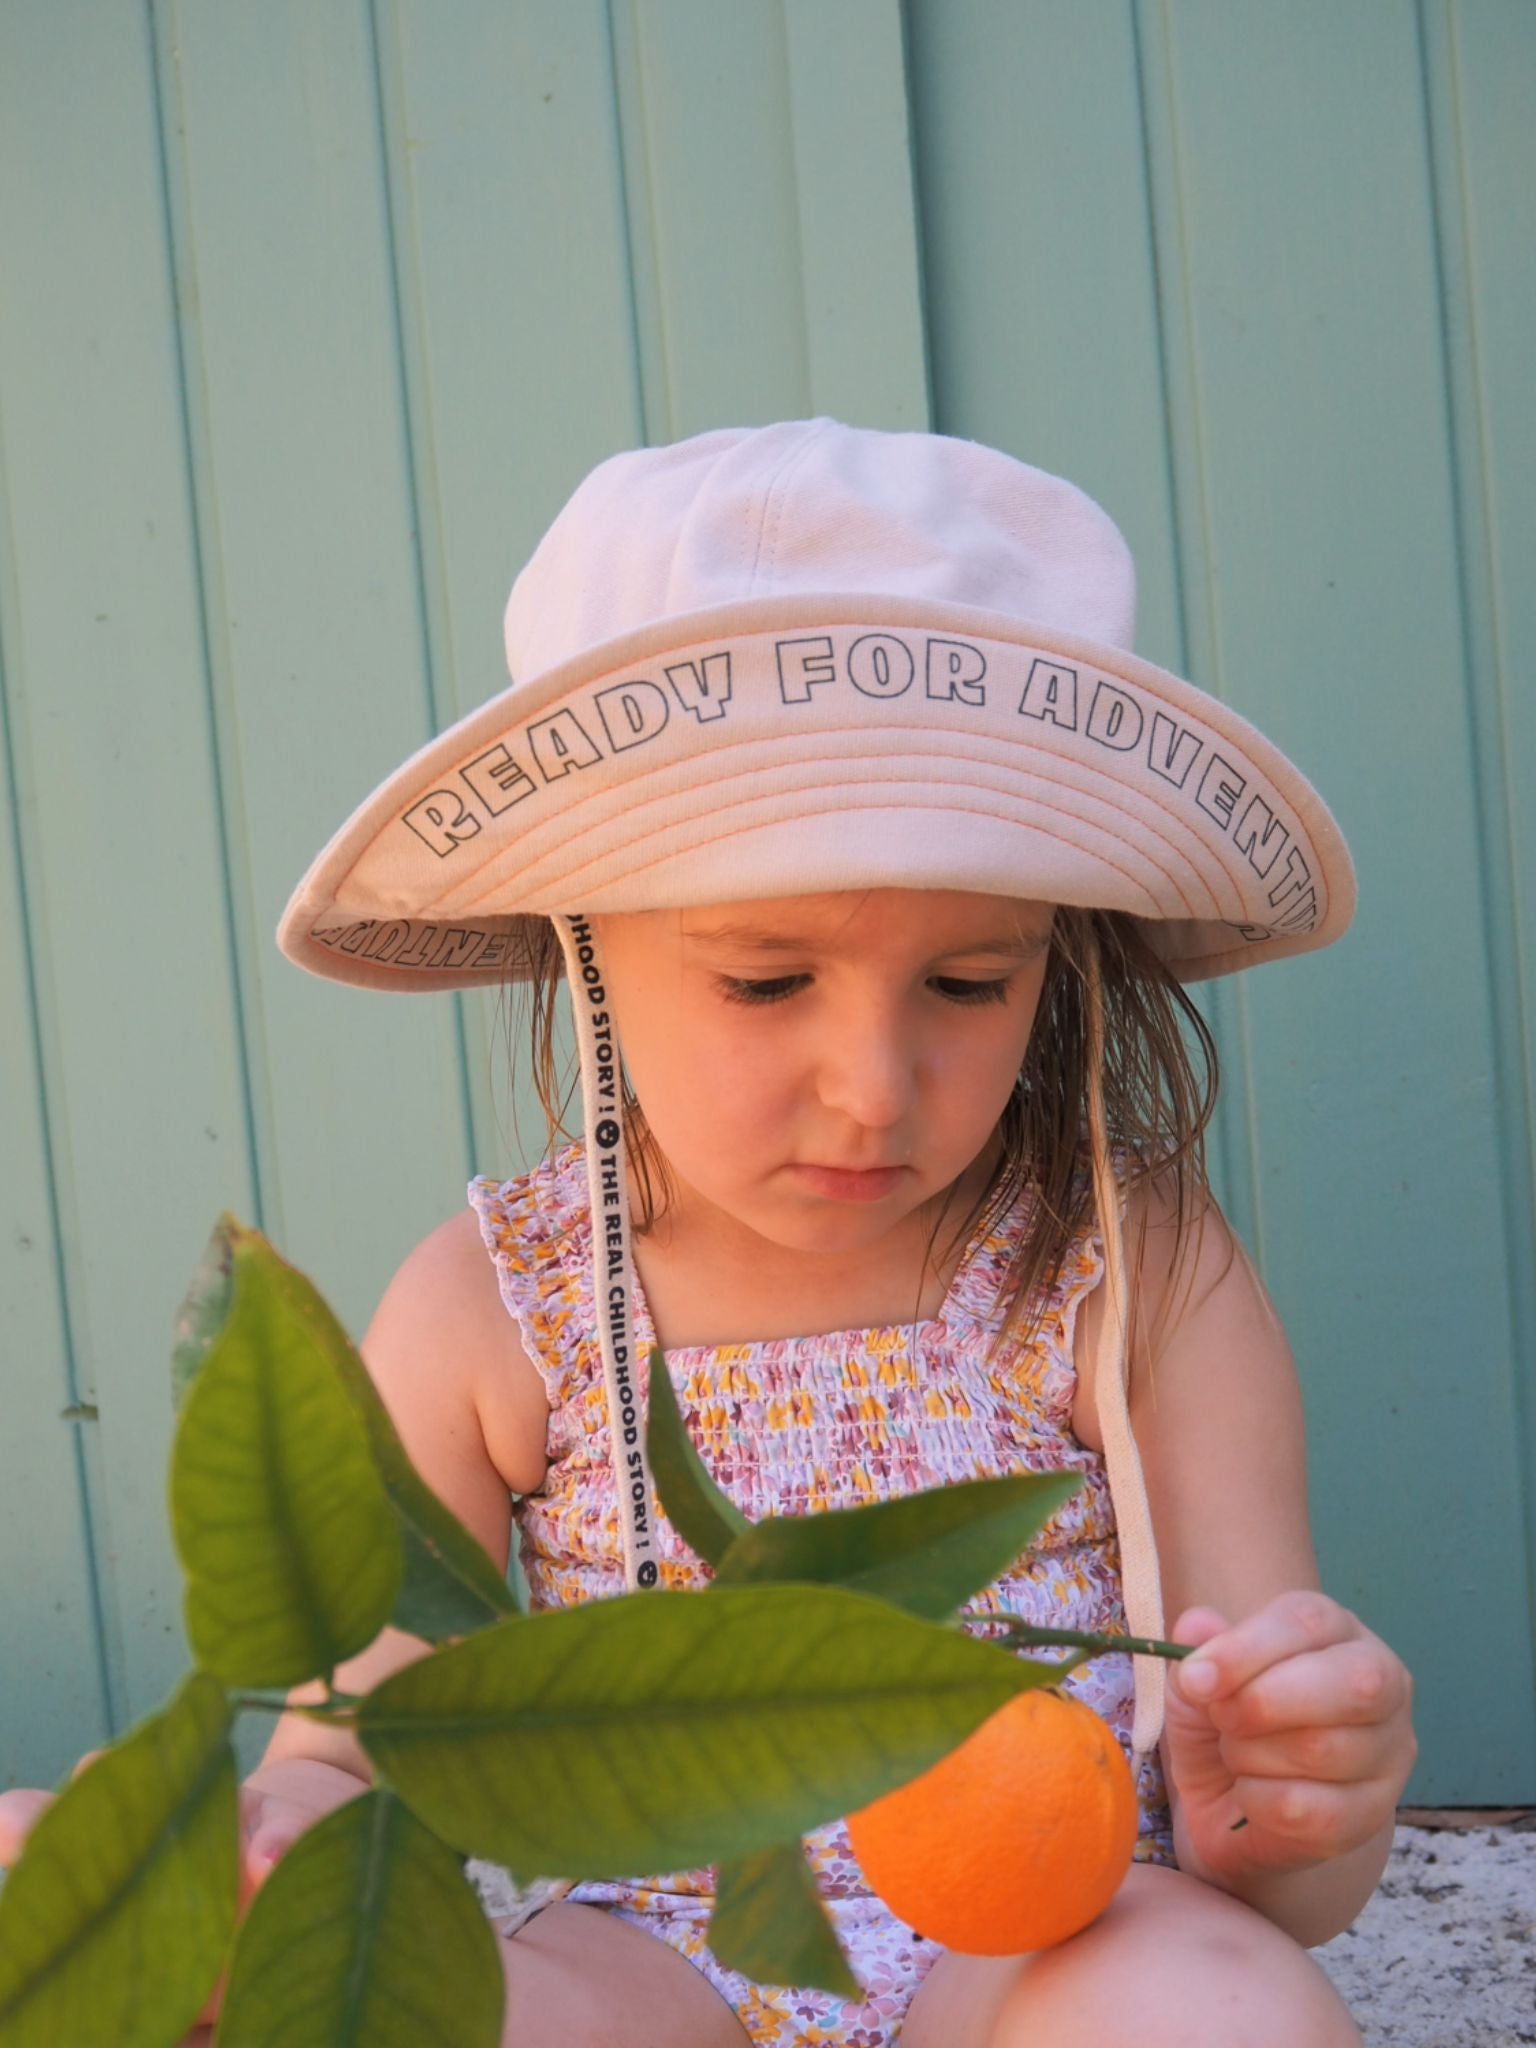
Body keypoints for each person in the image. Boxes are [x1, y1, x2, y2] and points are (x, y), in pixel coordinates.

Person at [0, 419, 1415, 2046]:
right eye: (765, 980)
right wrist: (248, 1861)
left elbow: (1269, 1861)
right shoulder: (492, 1307)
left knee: (1218, 2002)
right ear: (583, 948)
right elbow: (355, 1750)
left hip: (1049, 1925)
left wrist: (1310, 1812)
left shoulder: (1121, 1271)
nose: (876, 1090)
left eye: (972, 981)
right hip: (655, 1960)